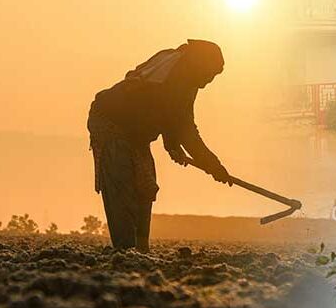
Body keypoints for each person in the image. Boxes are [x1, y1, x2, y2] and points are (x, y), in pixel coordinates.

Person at [87, 39, 231, 251]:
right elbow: (183, 128)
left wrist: (173, 145)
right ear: (200, 65)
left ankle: (141, 250)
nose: (209, 81)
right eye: (210, 74)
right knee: (122, 184)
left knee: (145, 187)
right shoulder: (178, 75)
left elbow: (172, 117)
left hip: (136, 133)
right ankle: (126, 252)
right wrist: (213, 166)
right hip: (111, 122)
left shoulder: (182, 73)